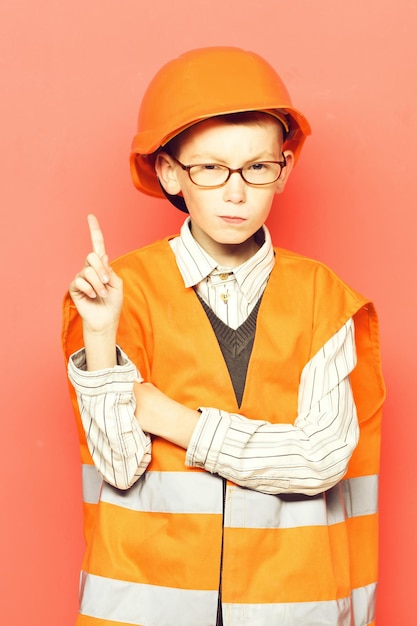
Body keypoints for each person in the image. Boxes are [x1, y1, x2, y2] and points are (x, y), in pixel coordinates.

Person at [62, 47, 385, 626]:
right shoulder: (114, 293)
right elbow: (119, 464)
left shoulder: (324, 298)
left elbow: (318, 458)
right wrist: (104, 333)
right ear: (169, 172)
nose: (235, 192)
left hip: (292, 606)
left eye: (256, 167)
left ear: (282, 171)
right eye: (210, 168)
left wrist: (173, 419)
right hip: (144, 607)